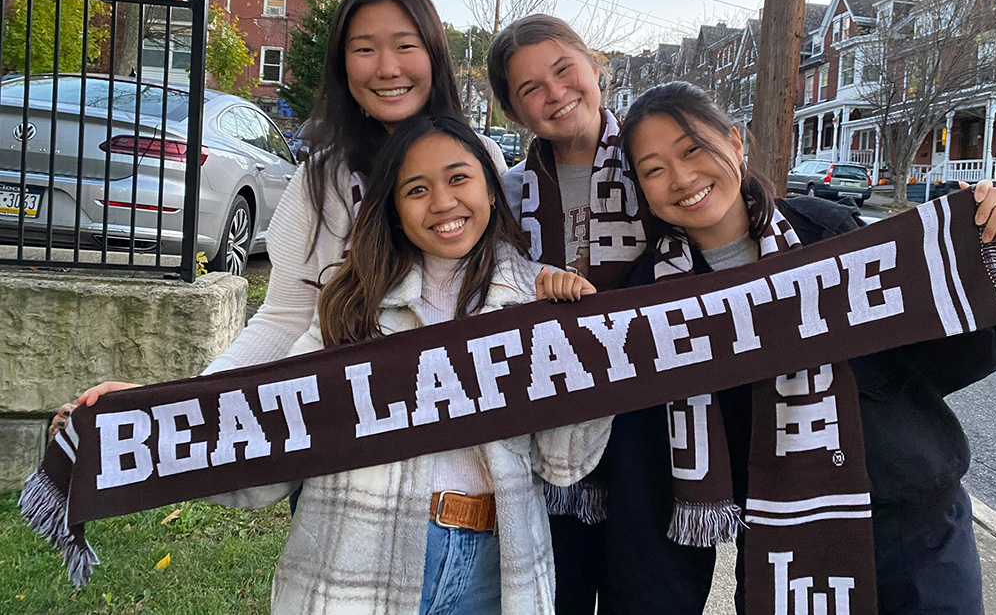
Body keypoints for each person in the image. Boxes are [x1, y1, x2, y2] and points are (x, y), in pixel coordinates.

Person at [58, 114, 611, 614]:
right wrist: (146, 419)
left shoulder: (538, 306)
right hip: (357, 564)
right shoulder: (352, 309)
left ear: (492, 188)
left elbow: (564, 462)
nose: (442, 202)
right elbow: (268, 431)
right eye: (416, 189)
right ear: (393, 210)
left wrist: (582, 340)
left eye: (459, 178)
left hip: (499, 572)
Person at [53, 0, 506, 515]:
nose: (387, 68)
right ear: (342, 65)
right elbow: (283, 319)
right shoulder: (320, 182)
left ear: (434, 53)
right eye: (364, 49)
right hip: (346, 478)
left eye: (405, 45)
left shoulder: (484, 166)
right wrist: (178, 409)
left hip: (469, 481)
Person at [619, 81, 996, 614]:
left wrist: (983, 253)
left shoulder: (829, 231)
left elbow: (946, 354)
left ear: (737, 144)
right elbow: (644, 461)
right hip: (778, 547)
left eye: (693, 148)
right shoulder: (646, 296)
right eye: (653, 169)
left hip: (911, 526)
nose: (682, 177)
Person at [487, 15, 713, 615]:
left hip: (657, 435)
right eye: (530, 88)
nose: (556, 93)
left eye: (565, 71)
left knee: (652, 596)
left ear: (597, 70)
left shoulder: (660, 169)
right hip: (546, 436)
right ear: (515, 112)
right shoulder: (504, 197)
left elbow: (739, 232)